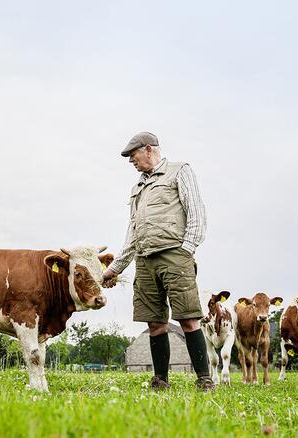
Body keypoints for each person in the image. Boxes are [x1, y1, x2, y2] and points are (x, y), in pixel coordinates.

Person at [102, 132, 213, 391]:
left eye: (133, 156)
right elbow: (133, 231)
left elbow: (196, 211)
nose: (132, 162)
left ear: (148, 149)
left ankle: (204, 379)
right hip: (145, 260)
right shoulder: (137, 188)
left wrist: (186, 250)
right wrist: (115, 268)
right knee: (155, 323)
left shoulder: (179, 171)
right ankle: (160, 380)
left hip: (175, 255)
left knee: (188, 318)